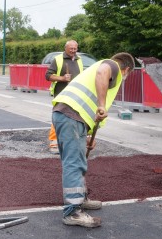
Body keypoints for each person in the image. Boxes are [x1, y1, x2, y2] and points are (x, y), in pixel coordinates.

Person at [52, 52, 135, 227]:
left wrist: (88, 135)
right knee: (74, 163)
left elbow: (85, 103)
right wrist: (102, 104)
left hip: (71, 117)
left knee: (78, 160)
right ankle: (72, 212)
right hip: (71, 117)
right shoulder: (111, 66)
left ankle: (80, 198)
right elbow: (102, 73)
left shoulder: (101, 67)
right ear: (126, 69)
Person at [46, 40, 84, 154]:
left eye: (75, 48)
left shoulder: (79, 59)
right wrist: (62, 78)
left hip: (75, 94)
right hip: (61, 94)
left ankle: (71, 141)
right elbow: (48, 76)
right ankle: (54, 142)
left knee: (75, 117)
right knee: (58, 117)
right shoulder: (58, 59)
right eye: (71, 48)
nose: (73, 51)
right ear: (65, 48)